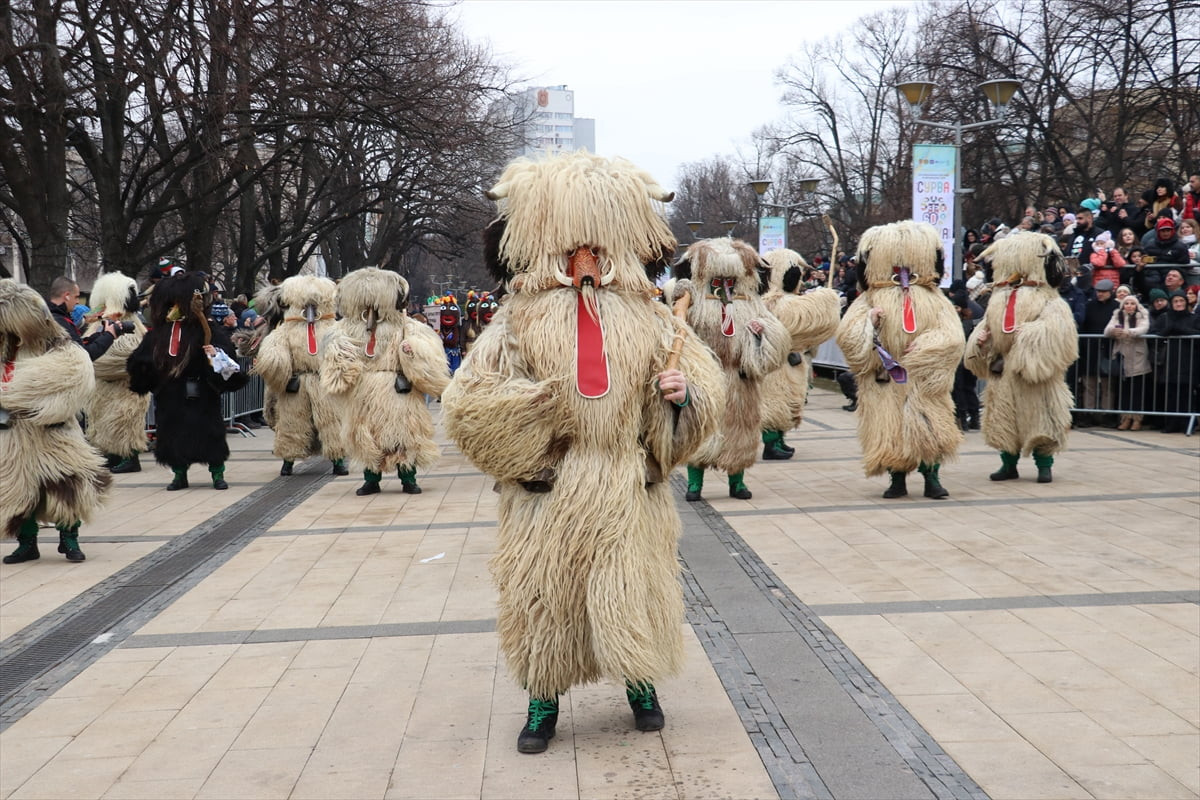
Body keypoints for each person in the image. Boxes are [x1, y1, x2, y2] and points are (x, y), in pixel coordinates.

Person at [441, 151, 725, 754]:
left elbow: (702, 396)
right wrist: (528, 431)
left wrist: (679, 398)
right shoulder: (517, 320)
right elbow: (468, 402)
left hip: (624, 482)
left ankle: (641, 685)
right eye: (570, 248)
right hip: (551, 486)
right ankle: (542, 702)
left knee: (633, 589)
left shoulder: (653, 321)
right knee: (545, 596)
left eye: (596, 247)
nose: (584, 262)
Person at [835, 220, 964, 499]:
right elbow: (847, 336)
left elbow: (952, 337)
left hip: (923, 380)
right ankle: (897, 480)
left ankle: (932, 478)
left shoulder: (935, 299)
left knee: (930, 427)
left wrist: (926, 349)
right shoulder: (868, 299)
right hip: (885, 379)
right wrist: (869, 323)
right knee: (889, 429)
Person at [1, 279, 111, 564]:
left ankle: (69, 539)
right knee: (18, 490)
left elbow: (74, 373)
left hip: (54, 430)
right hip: (15, 433)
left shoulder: (56, 342)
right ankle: (27, 543)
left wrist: (26, 396)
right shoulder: (5, 348)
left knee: (66, 484)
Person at [674, 236, 789, 501]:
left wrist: (761, 334)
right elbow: (679, 330)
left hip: (740, 381)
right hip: (704, 380)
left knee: (739, 433)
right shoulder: (696, 300)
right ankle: (694, 484)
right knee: (700, 430)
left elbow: (777, 338)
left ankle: (736, 483)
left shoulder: (750, 301)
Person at [321, 268, 449, 496]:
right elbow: (333, 352)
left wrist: (411, 351)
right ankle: (371, 479)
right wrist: (339, 352)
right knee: (366, 436)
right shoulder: (347, 328)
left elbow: (430, 353)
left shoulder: (406, 325)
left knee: (404, 436)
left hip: (397, 390)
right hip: (364, 392)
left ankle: (408, 478)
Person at [965, 232, 1077, 483]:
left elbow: (1058, 332)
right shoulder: (999, 299)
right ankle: (1008, 464)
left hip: (1034, 375)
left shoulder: (1050, 300)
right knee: (1004, 421)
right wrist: (983, 341)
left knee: (1042, 420)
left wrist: (1025, 336)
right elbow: (988, 326)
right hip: (1004, 372)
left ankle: (1044, 465)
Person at [127, 270, 249, 490]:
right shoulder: (159, 334)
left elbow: (228, 358)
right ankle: (179, 474)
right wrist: (144, 368)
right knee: (172, 434)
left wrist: (215, 354)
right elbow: (142, 359)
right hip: (170, 393)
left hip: (201, 391)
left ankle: (217, 473)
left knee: (209, 433)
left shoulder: (206, 329)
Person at [252, 275, 349, 477]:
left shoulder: (332, 326)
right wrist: (276, 364)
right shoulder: (286, 329)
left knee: (332, 423)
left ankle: (338, 460)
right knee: (290, 423)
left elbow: (344, 352)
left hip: (323, 382)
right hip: (296, 382)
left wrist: (339, 373)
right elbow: (273, 348)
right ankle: (288, 460)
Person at [758, 248, 840, 460]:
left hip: (790, 363)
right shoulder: (774, 302)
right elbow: (808, 313)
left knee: (788, 402)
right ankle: (770, 444)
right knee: (774, 403)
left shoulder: (783, 300)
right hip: (777, 365)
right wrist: (826, 296)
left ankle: (779, 440)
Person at [80, 272, 150, 473]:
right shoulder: (100, 322)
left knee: (125, 421)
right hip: (104, 387)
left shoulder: (131, 326)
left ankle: (130, 458)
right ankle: (112, 455)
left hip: (127, 386)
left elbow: (127, 355)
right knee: (104, 421)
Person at [1150, 291, 1200, 433]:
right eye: (1176, 301)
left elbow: (1197, 333)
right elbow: (1155, 332)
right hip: (1170, 361)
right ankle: (1171, 423)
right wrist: (1168, 330)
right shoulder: (1165, 317)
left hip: (1189, 360)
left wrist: (1179, 330)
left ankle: (1186, 424)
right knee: (1171, 393)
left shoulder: (1193, 318)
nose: (1179, 304)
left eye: (1181, 301)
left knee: (1186, 393)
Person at [1104, 295, 1152, 431]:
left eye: (1132, 303)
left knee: (1137, 390)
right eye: (1127, 303)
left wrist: (1129, 332)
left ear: (1136, 305)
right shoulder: (1117, 315)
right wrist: (1113, 331)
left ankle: (1137, 419)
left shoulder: (1142, 314)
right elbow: (1106, 331)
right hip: (1122, 356)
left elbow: (1144, 328)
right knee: (1124, 391)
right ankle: (1125, 418)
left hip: (1138, 356)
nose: (1129, 306)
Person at [45, 276, 120, 361]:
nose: (77, 302)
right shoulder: (59, 321)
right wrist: (110, 335)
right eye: (76, 297)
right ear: (67, 296)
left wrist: (101, 334)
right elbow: (83, 355)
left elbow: (78, 343)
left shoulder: (50, 316)